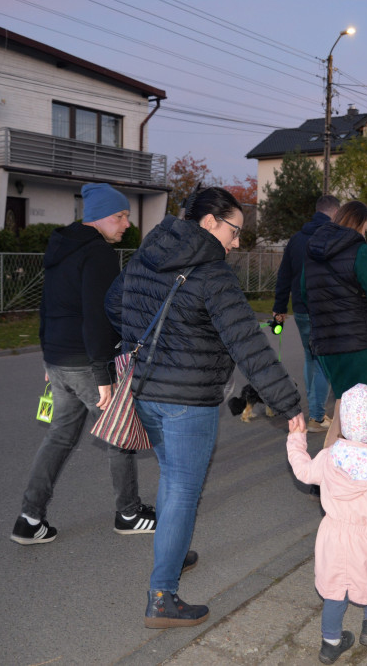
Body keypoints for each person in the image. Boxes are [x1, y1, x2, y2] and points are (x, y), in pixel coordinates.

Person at [106, 186, 305, 628]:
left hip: (143, 392)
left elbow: (113, 303)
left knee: (172, 482)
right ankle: (162, 598)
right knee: (180, 490)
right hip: (187, 402)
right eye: (235, 231)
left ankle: (172, 552)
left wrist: (153, 339)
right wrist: (288, 403)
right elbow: (249, 343)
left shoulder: (148, 252)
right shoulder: (213, 274)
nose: (237, 242)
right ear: (209, 222)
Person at [12, 183, 154, 546]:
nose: (126, 225)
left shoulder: (60, 250)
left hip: (60, 358)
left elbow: (47, 308)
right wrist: (103, 372)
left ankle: (29, 519)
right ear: (103, 217)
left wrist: (49, 358)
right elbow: (96, 317)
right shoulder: (98, 254)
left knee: (59, 436)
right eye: (121, 217)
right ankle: (129, 513)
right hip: (87, 362)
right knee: (120, 436)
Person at [285, 384, 367, 665]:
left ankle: (330, 642)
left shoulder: (329, 457)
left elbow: (303, 471)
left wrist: (296, 439)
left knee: (334, 588)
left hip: (333, 535)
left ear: (344, 424)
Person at [303, 200, 367, 448]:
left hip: (325, 339)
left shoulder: (312, 250)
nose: (365, 233)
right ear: (357, 224)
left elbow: (304, 292)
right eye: (365, 228)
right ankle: (338, 471)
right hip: (358, 339)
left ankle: (327, 471)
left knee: (344, 403)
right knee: (354, 408)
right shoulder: (359, 249)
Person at [272, 195, 340, 432]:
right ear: (334, 213)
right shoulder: (332, 238)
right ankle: (318, 416)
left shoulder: (296, 239)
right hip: (324, 309)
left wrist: (279, 308)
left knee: (310, 357)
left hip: (301, 308)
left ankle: (314, 410)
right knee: (324, 361)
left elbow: (283, 276)